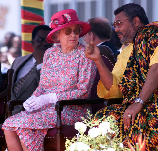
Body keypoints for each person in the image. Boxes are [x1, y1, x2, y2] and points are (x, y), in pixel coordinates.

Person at [86, 3, 158, 150]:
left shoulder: (153, 35)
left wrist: (139, 102)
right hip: (141, 103)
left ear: (136, 21)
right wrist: (98, 60)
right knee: (104, 117)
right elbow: (116, 89)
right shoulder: (127, 51)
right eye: (114, 25)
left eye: (119, 23)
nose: (116, 29)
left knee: (146, 118)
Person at [2, 9, 96, 151]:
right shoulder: (50, 54)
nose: (73, 35)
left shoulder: (85, 54)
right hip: (47, 110)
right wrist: (34, 98)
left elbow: (83, 92)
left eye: (76, 31)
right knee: (9, 124)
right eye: (68, 31)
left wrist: (51, 98)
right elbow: (43, 86)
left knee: (22, 124)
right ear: (57, 35)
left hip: (72, 109)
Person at [11, 25, 53, 115]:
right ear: (32, 42)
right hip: (9, 110)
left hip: (32, 112)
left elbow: (45, 89)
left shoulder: (56, 64)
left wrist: (41, 64)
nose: (45, 43)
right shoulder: (18, 61)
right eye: (40, 40)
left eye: (48, 41)